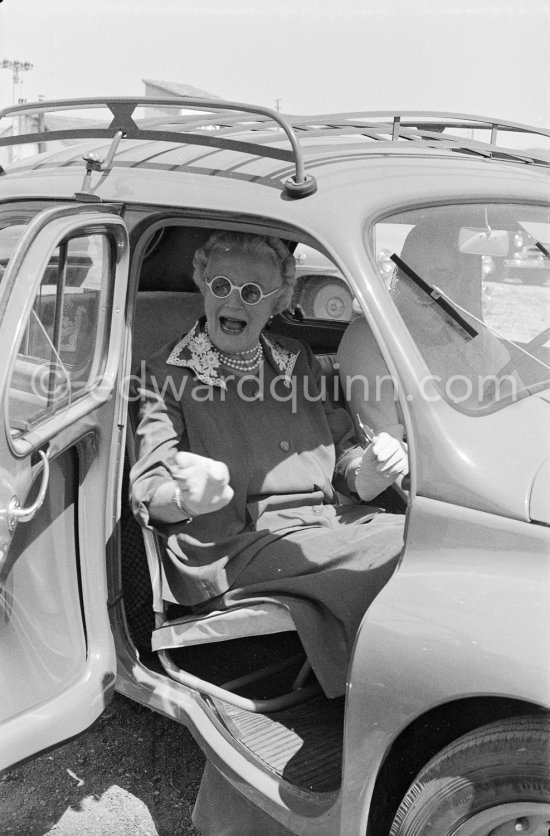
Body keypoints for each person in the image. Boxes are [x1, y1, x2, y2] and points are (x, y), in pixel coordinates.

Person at [129, 230, 407, 835]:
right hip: (229, 539)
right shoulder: (165, 374)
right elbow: (150, 486)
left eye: (253, 291)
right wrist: (188, 494)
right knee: (406, 552)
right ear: (202, 284)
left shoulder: (299, 360)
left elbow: (345, 464)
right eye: (221, 284)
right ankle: (385, 734)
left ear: (280, 300)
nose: (233, 302)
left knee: (416, 531)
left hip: (321, 523)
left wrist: (373, 467)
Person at [338, 220, 518, 444]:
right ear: (399, 275)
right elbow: (386, 453)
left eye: (441, 276)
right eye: (412, 275)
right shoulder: (370, 339)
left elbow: (519, 412)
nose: (425, 288)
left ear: (458, 281)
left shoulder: (476, 338)